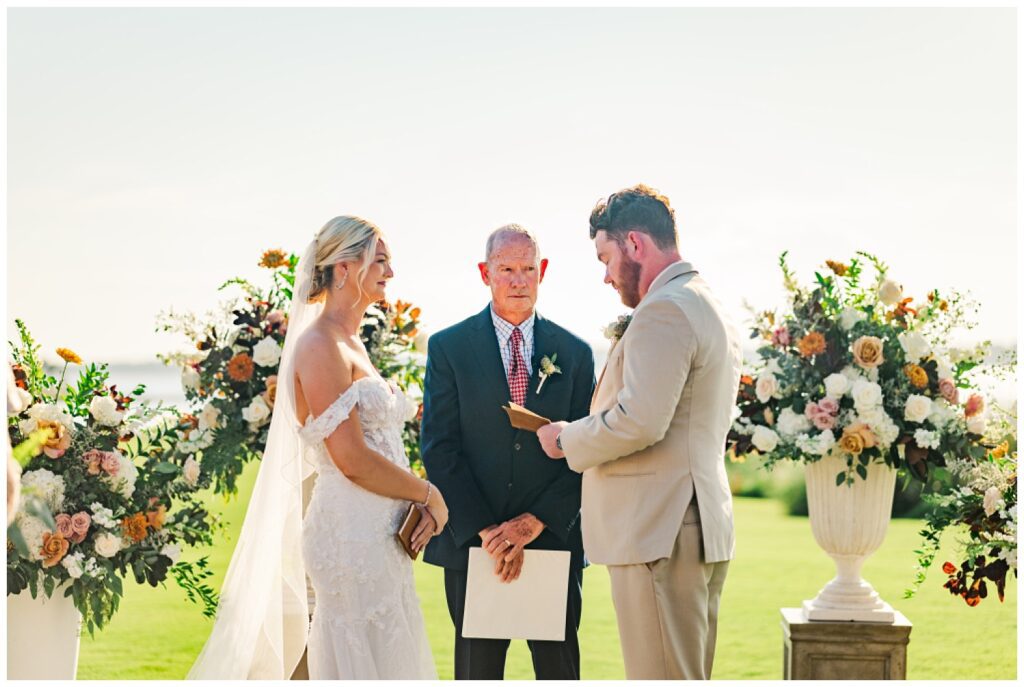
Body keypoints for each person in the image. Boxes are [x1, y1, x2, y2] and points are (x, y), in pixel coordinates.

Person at [189, 216, 446, 680]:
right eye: (381, 261)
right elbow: (351, 459)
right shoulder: (319, 345)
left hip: (383, 535)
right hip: (350, 533)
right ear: (345, 268)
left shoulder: (353, 342)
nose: (390, 273)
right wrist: (427, 494)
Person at [537, 185, 743, 680]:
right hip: (696, 525)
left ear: (635, 244)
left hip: (660, 531)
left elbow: (641, 418)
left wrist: (568, 439)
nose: (605, 276)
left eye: (605, 257)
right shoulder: (706, 302)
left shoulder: (665, 308)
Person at [421, 224, 594, 680]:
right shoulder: (447, 348)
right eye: (506, 270)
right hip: (474, 545)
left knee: (559, 672)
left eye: (528, 269)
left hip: (552, 538)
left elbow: (587, 450)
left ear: (543, 272)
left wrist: (533, 522)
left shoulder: (575, 353)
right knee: (478, 674)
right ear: (485, 273)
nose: (519, 280)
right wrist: (488, 531)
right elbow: (439, 448)